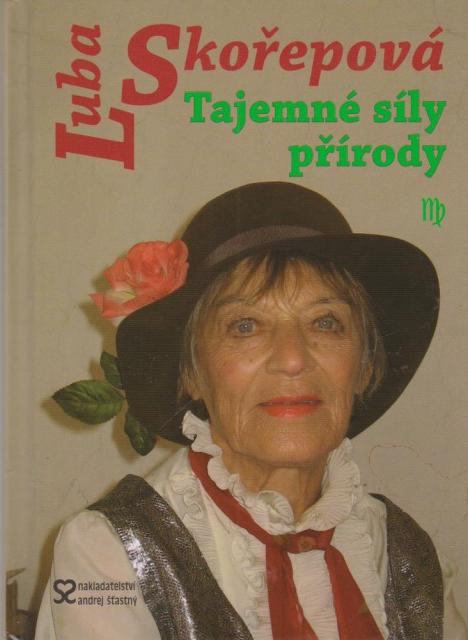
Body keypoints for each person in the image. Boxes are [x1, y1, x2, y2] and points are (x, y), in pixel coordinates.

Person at [35, 183, 467, 639]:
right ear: (192, 373)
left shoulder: (408, 553)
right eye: (245, 326)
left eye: (325, 322)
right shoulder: (106, 553)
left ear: (364, 366)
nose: (292, 358)